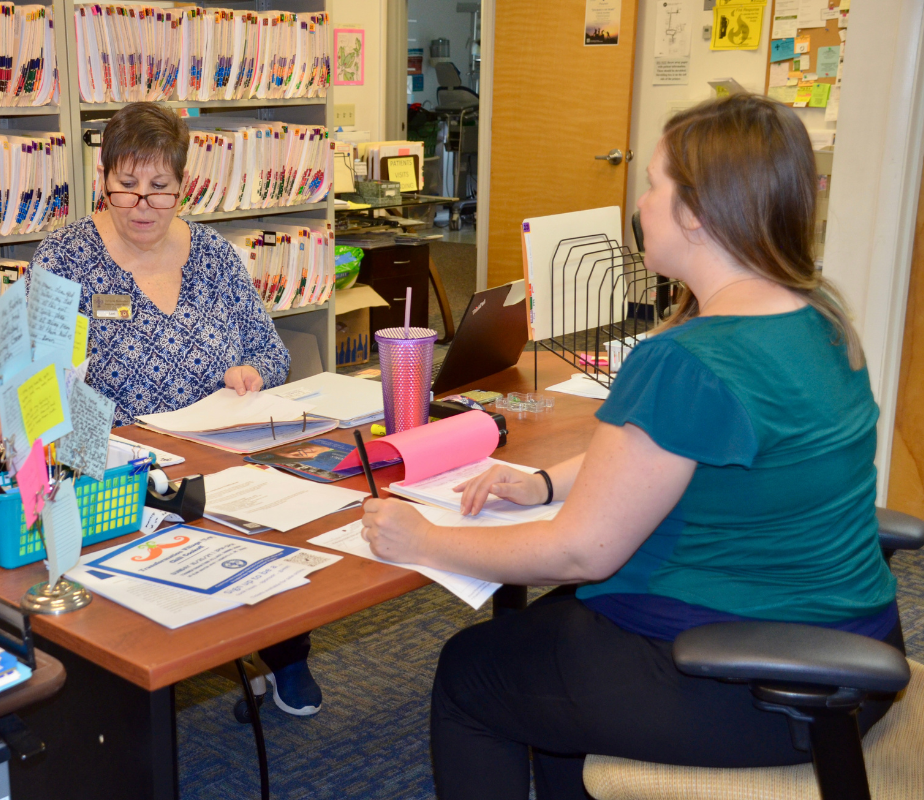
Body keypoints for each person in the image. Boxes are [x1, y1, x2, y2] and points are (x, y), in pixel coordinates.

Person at [359, 94, 902, 799]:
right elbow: (677, 449)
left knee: (473, 672)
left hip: (755, 685)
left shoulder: (689, 358)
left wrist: (424, 540)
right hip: (851, 655)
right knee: (552, 634)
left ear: (698, 211)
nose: (640, 203)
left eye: (653, 184)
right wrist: (548, 482)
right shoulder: (819, 320)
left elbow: (584, 552)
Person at [0, 102, 322, 716]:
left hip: (220, 447)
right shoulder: (68, 258)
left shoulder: (214, 255)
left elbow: (271, 352)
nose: (142, 204)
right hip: (121, 467)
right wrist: (13, 399)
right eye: (127, 187)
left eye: (160, 189)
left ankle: (283, 649)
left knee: (279, 516)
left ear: (182, 186)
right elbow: (21, 361)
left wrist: (252, 373)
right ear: (103, 180)